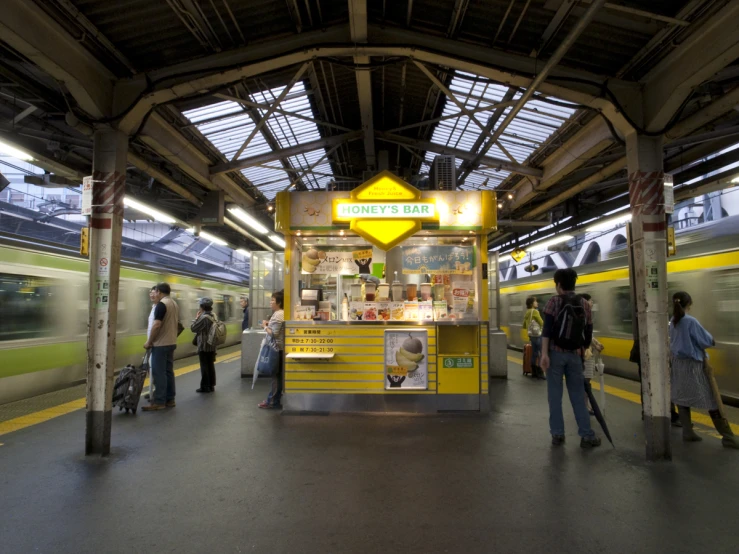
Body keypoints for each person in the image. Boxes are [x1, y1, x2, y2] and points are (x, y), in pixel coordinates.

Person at [540, 268, 601, 448]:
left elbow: (546, 331)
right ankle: (586, 435)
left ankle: (558, 434)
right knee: (578, 396)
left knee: (554, 396)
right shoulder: (585, 304)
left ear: (558, 285)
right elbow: (588, 333)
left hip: (555, 355)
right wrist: (582, 352)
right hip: (575, 355)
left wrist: (544, 354)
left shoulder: (554, 302)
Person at [670, 291, 737, 448]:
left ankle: (688, 432)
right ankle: (728, 436)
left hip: (679, 365)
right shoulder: (690, 321)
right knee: (711, 399)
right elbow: (707, 341)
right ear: (689, 304)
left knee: (682, 398)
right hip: (694, 366)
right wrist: (711, 340)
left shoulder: (673, 320)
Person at [142, 283, 180, 411]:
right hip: (171, 343)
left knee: (159, 373)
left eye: (155, 291)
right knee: (168, 372)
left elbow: (157, 325)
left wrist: (149, 341)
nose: (153, 294)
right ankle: (170, 399)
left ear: (158, 291)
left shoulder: (161, 305)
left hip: (160, 344)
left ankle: (159, 401)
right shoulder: (173, 303)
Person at [258, 290, 285, 409]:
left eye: (273, 300)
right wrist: (269, 323)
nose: (271, 302)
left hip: (276, 349)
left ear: (279, 302)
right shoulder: (281, 313)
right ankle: (274, 399)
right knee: (277, 377)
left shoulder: (279, 314)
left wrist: (264, 326)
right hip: (279, 349)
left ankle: (273, 401)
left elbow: (273, 333)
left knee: (275, 377)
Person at [579, 294, 604, 414]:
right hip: (586, 354)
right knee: (586, 382)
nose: (592, 303)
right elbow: (585, 336)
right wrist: (594, 345)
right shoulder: (582, 316)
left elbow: (589, 335)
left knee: (586, 382)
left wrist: (596, 344)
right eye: (590, 301)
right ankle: (585, 406)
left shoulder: (584, 315)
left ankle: (585, 405)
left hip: (587, 353)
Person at [191, 297, 217, 393]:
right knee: (210, 365)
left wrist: (196, 318)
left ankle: (205, 386)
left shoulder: (204, 317)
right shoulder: (213, 315)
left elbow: (193, 328)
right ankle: (211, 385)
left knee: (204, 366)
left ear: (202, 307)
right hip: (212, 345)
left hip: (204, 345)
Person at [523, 296, 545, 380]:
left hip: (531, 335)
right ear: (532, 304)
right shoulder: (535, 312)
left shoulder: (527, 312)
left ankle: (534, 372)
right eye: (535, 302)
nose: (537, 303)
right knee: (541, 353)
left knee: (534, 354)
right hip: (538, 335)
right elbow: (541, 322)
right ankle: (540, 372)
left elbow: (524, 325)